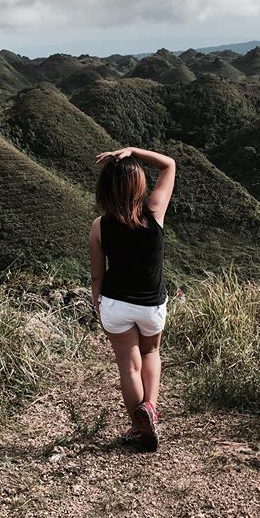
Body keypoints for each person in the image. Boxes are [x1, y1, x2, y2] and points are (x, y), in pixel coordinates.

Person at [89, 146, 175, 451]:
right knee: (151, 353)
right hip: (151, 304)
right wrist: (133, 151)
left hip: (115, 304)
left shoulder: (100, 226)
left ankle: (141, 430)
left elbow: (97, 275)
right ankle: (149, 408)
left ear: (105, 189)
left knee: (128, 366)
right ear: (139, 184)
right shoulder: (154, 211)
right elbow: (169, 165)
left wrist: (99, 307)